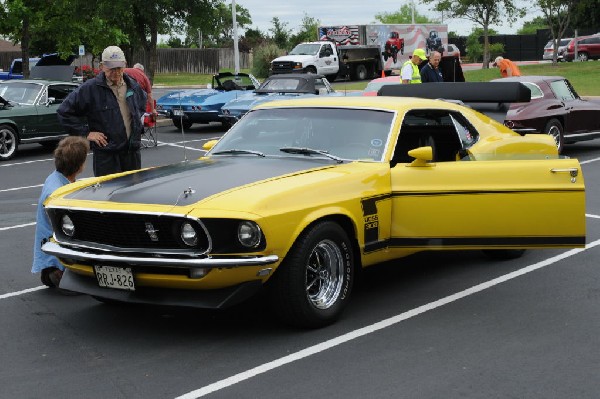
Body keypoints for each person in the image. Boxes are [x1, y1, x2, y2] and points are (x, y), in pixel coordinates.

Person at [57, 45, 147, 177]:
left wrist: (137, 128)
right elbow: (63, 112)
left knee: (132, 194)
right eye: (111, 68)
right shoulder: (90, 88)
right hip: (107, 157)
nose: (116, 72)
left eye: (119, 67)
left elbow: (141, 106)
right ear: (102, 66)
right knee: (107, 196)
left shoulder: (133, 86)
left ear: (125, 65)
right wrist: (86, 133)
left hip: (131, 154)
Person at [32, 136, 89, 290]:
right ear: (79, 166)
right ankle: (59, 273)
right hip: (57, 254)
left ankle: (55, 272)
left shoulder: (55, 178)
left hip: (50, 252)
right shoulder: (57, 193)